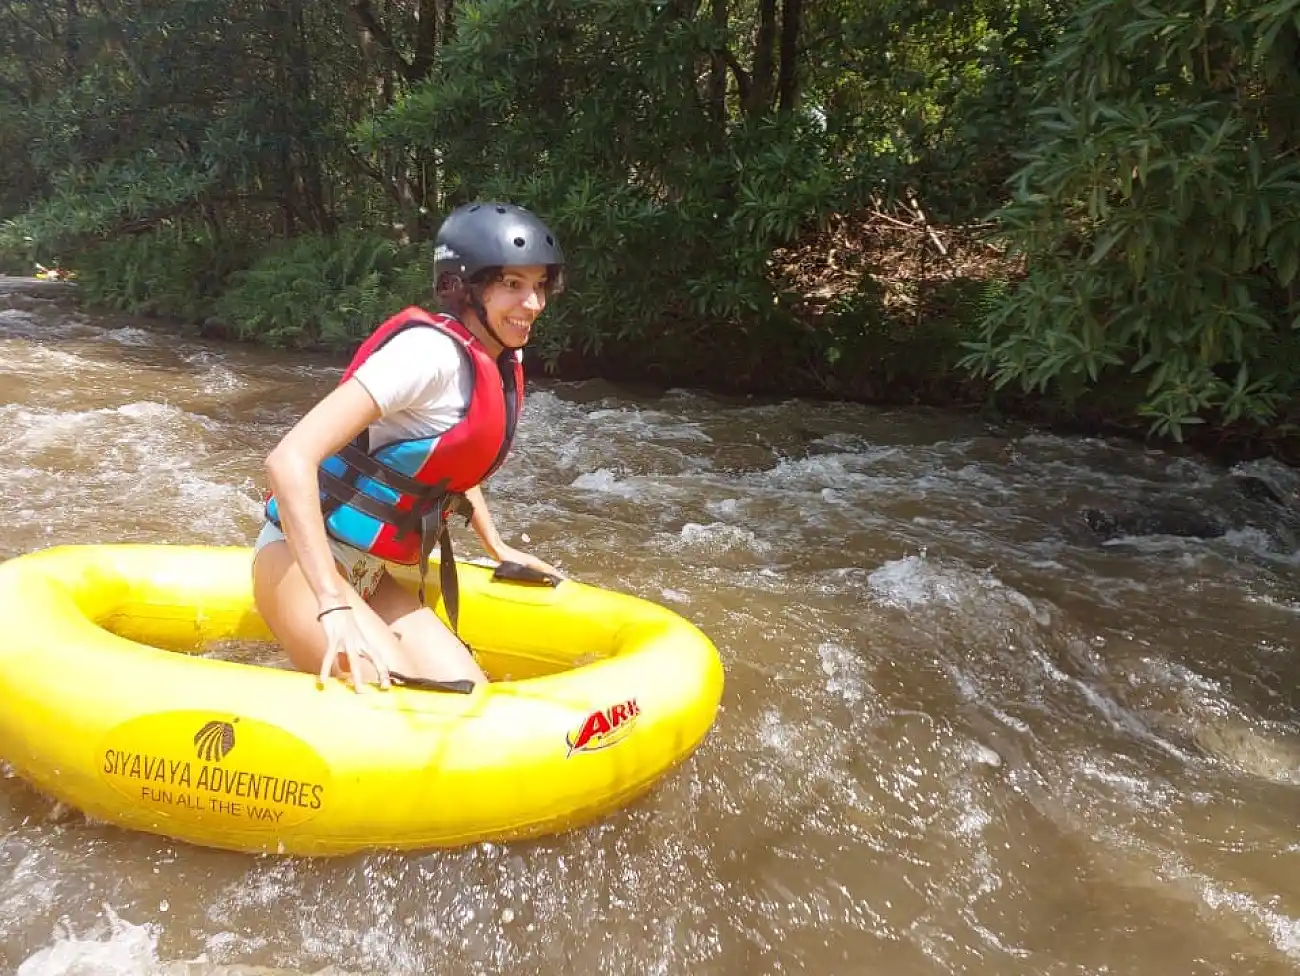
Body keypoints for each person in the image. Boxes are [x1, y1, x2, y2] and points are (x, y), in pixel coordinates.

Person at [251, 202, 565, 693]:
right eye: (512, 284)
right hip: (299, 562)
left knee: (471, 700)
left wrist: (496, 544)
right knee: (386, 696)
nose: (533, 303)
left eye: (539, 285)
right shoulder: (426, 356)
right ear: (463, 287)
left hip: (370, 572)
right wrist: (331, 603)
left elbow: (450, 464)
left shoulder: (499, 356)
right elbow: (288, 459)